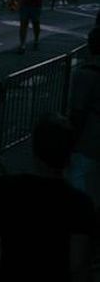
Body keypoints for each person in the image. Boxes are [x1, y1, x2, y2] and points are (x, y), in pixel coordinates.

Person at [0, 114, 94, 282]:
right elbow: (78, 265)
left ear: (35, 150)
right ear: (68, 155)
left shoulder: (4, 187)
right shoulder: (80, 203)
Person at [68, 27, 100, 210]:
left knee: (80, 187)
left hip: (87, 142)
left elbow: (77, 112)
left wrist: (70, 142)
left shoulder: (85, 74)